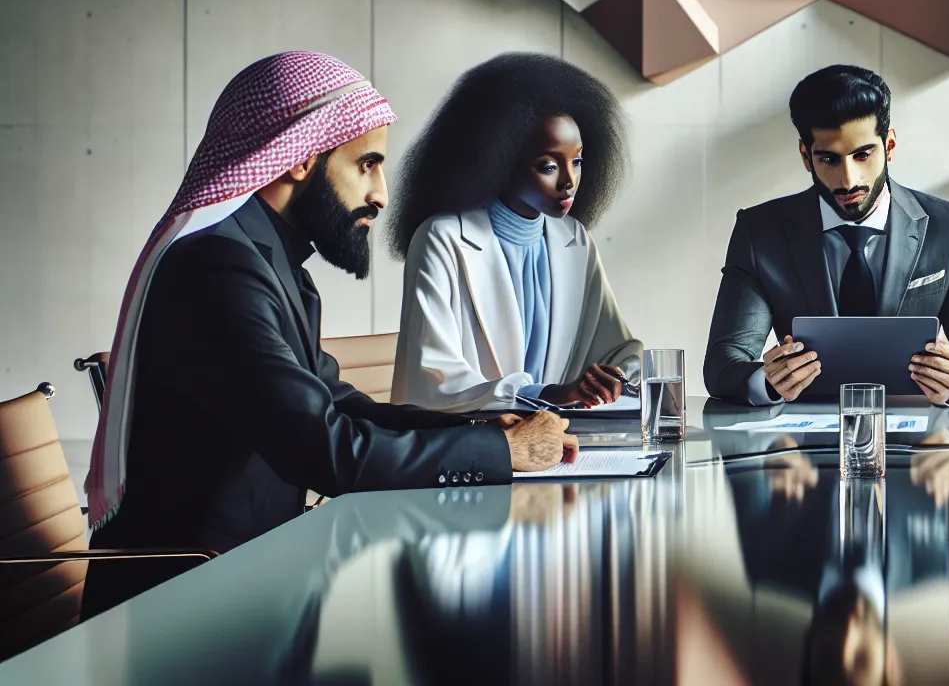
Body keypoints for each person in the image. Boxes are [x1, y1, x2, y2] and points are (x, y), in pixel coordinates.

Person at [83, 52, 576, 617]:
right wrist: (498, 451)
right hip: (188, 609)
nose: (382, 195)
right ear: (299, 159)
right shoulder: (219, 267)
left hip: (254, 583)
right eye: (367, 164)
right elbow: (323, 450)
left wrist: (481, 428)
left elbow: (344, 408)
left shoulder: (266, 260)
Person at [704, 65, 949, 406]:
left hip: (916, 441)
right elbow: (722, 364)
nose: (848, 180)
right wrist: (768, 381)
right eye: (829, 159)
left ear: (889, 146)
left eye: (862, 155)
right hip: (800, 444)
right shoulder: (759, 233)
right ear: (806, 156)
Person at [387, 53, 640, 411]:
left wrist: (613, 377)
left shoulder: (574, 239)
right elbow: (434, 377)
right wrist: (545, 395)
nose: (569, 182)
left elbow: (619, 349)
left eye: (578, 161)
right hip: (472, 448)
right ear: (498, 159)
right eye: (548, 165)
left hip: (559, 444)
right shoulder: (442, 238)